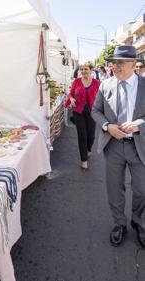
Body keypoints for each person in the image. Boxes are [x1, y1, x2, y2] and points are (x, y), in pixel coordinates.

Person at [92, 45, 145, 247]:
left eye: (120, 62)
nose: (115, 66)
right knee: (115, 189)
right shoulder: (105, 85)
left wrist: (139, 125)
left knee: (142, 190)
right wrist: (107, 126)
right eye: (114, 62)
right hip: (113, 146)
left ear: (133, 63)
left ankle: (139, 222)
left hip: (139, 146)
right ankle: (119, 224)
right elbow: (96, 110)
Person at [65, 62, 100, 169]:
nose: (83, 71)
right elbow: (71, 93)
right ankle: (83, 160)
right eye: (82, 69)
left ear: (91, 70)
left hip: (92, 112)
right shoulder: (76, 81)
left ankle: (89, 148)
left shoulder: (97, 83)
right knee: (82, 135)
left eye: (86, 69)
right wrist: (71, 98)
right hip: (78, 111)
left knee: (91, 136)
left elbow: (101, 97)